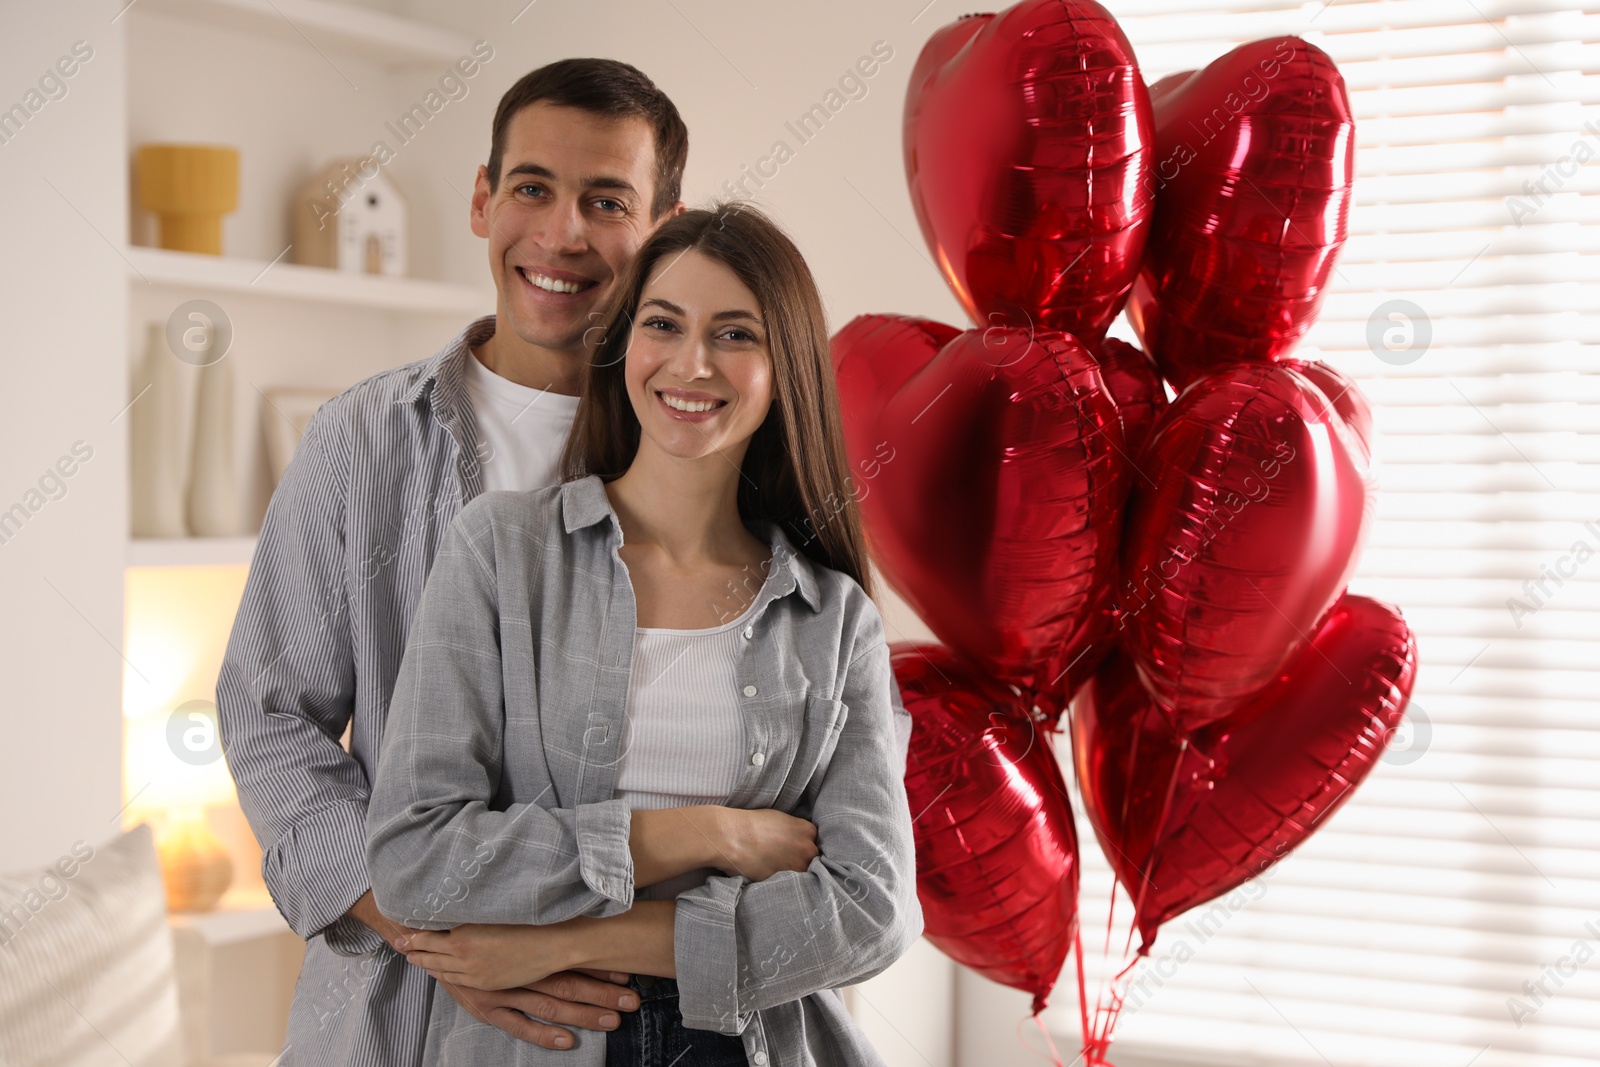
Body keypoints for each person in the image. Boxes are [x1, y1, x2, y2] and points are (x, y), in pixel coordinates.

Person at [364, 204, 922, 1067]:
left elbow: (870, 913)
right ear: (626, 343)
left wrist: (560, 939)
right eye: (664, 323)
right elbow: (416, 855)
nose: (692, 363)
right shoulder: (502, 551)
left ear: (785, 372)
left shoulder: (833, 619)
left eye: (734, 334)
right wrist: (704, 833)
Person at [218, 59, 695, 1064]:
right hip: (396, 1015)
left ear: (662, 227)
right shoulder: (362, 441)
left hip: (641, 1018)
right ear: (483, 200)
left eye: (606, 201)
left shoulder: (704, 453)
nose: (562, 234)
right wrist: (447, 941)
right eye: (532, 187)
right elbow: (268, 714)